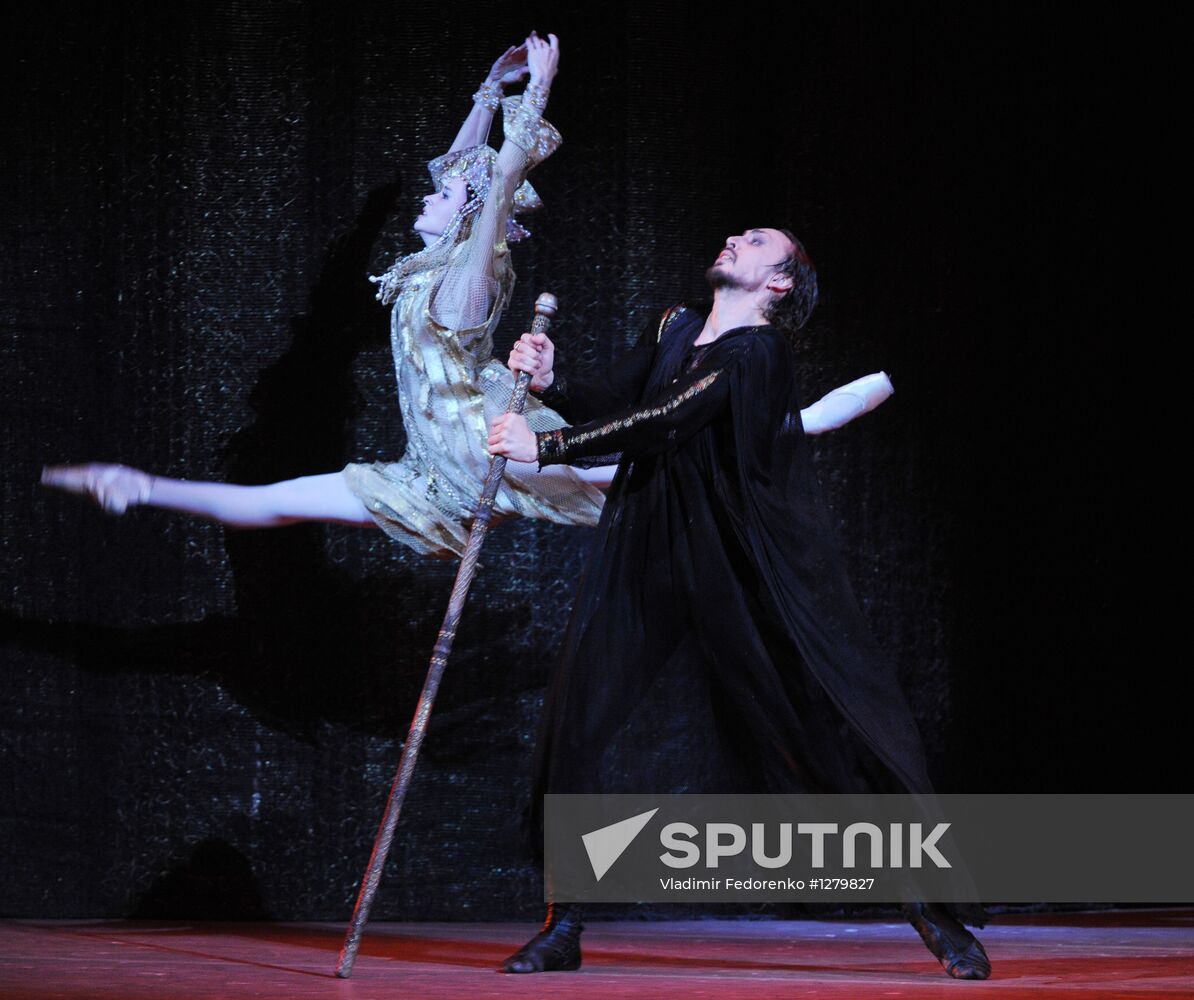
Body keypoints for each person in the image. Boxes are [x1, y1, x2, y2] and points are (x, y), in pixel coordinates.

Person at [40, 37, 891, 560]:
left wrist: (532, 110)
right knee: (277, 503)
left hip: (495, 447)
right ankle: (138, 485)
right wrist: (487, 96)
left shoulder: (468, 276)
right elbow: (464, 174)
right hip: (429, 468)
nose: (433, 189)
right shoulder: (425, 262)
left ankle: (794, 425)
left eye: (452, 194)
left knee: (646, 477)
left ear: (475, 215)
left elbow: (491, 186)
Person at [487, 227, 992, 980]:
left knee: (813, 743)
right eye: (736, 232)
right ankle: (565, 924)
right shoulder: (676, 325)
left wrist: (549, 447)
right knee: (575, 726)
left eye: (755, 241)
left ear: (779, 283)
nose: (732, 239)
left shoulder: (760, 353)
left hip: (738, 563)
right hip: (649, 551)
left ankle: (929, 906)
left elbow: (666, 421)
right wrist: (557, 385)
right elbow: (623, 398)